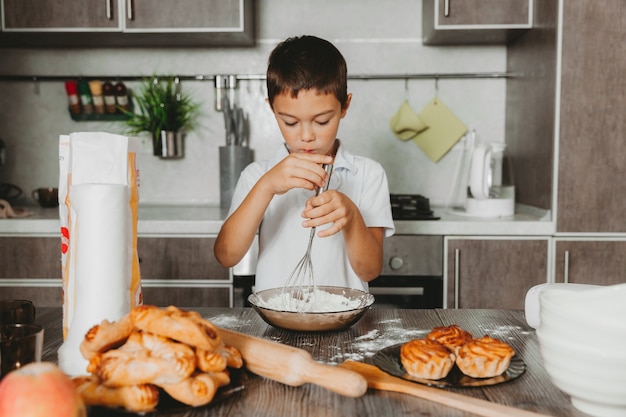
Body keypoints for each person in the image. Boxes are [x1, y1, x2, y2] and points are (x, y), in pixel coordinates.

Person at [214, 35, 395, 292]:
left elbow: (370, 270)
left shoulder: (368, 174)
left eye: (322, 121)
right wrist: (266, 187)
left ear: (345, 106)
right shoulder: (257, 175)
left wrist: (352, 217)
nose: (307, 136)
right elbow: (226, 256)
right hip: (275, 322)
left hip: (344, 320)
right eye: (290, 122)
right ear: (272, 110)